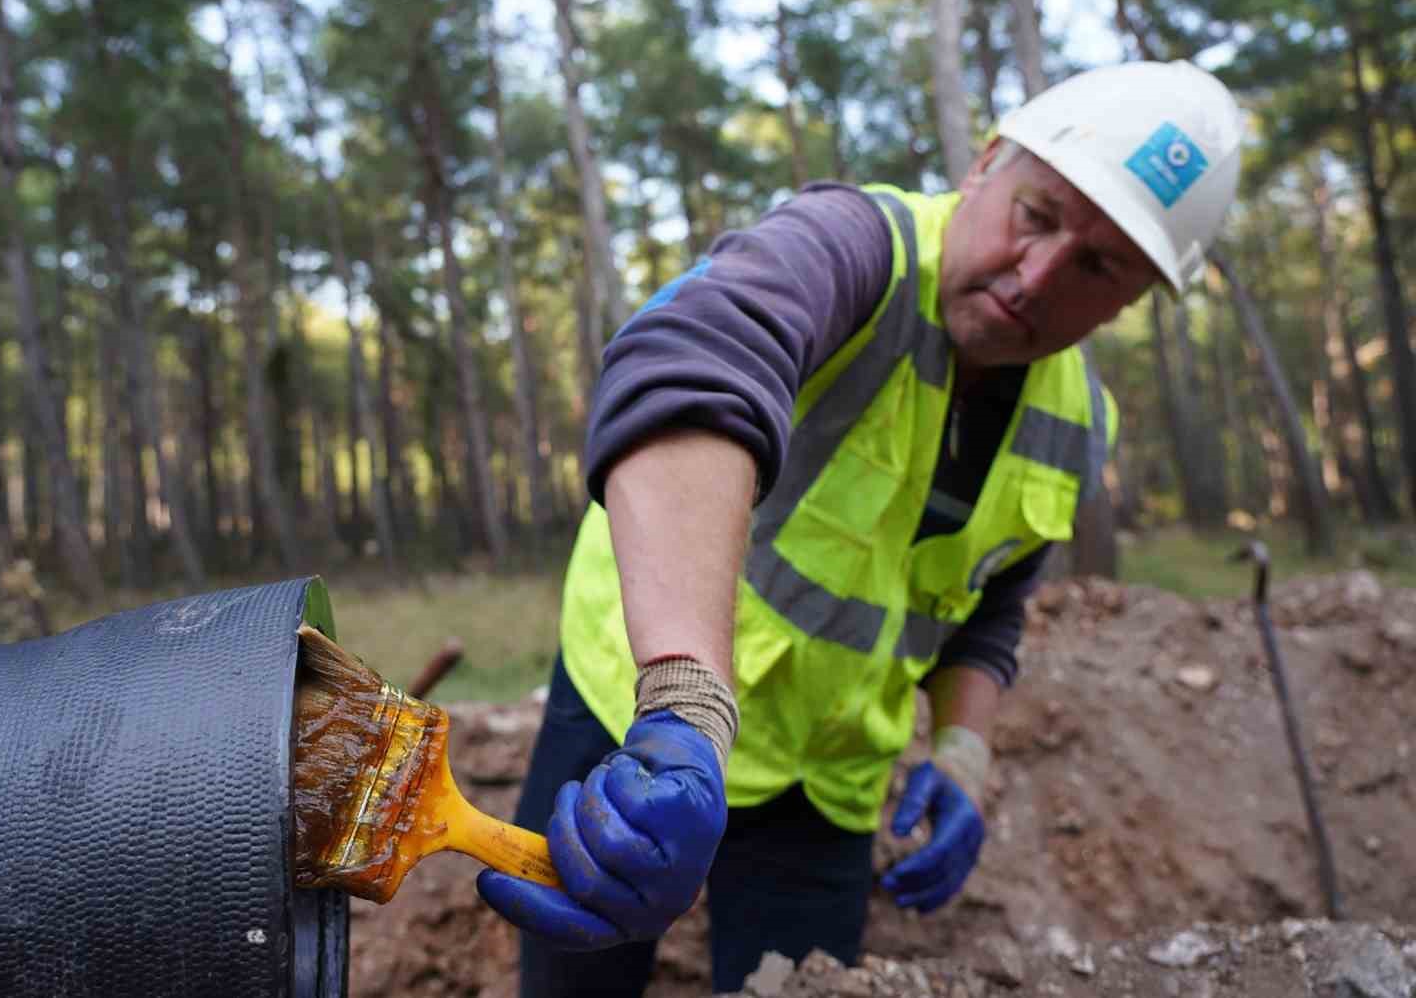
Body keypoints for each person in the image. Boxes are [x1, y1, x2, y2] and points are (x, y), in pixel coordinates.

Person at [478, 60, 1244, 996]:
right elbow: (691, 363)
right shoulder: (854, 246)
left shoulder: (1083, 423)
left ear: (1133, 302)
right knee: (575, 978)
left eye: (1097, 265)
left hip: (826, 784)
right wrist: (683, 710)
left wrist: (965, 751)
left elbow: (990, 605)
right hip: (637, 727)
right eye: (1036, 215)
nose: (1035, 275)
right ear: (987, 162)